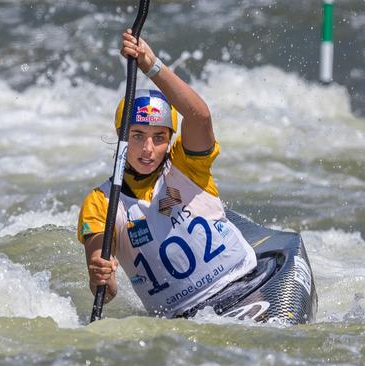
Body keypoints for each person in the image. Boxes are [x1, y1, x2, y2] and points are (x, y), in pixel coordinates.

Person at [77, 29, 257, 318]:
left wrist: (151, 65)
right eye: (137, 136)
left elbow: (199, 116)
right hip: (180, 317)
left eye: (159, 137)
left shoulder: (185, 165)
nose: (148, 149)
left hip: (243, 282)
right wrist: (100, 275)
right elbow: (106, 288)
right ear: (121, 136)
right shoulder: (101, 203)